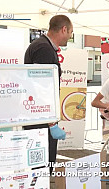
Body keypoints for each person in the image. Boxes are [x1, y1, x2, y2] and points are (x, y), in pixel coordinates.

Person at [23, 15, 73, 173]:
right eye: (71, 32)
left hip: (41, 116)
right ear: (63, 29)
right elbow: (41, 86)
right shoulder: (43, 48)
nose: (71, 36)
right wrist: (52, 124)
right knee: (41, 167)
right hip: (41, 119)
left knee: (41, 165)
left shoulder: (43, 46)